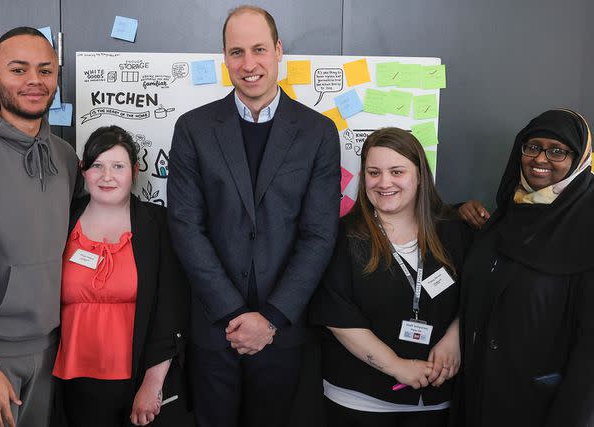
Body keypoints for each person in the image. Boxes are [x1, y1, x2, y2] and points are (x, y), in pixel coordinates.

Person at [166, 5, 341, 427]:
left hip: (283, 330)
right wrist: (233, 314)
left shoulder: (318, 132)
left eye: (259, 49)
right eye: (237, 52)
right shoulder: (193, 129)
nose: (249, 64)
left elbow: (318, 234)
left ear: (279, 51)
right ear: (224, 58)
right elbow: (186, 227)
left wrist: (272, 318)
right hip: (213, 329)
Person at [0, 27, 78, 427]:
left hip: (49, 352)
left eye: (45, 70)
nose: (34, 82)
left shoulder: (64, 156)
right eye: (18, 70)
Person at [311, 128, 472, 427]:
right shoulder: (340, 237)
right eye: (374, 172)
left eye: (397, 171)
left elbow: (477, 294)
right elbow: (338, 317)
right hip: (360, 401)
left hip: (435, 397)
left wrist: (455, 339)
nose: (384, 182)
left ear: (420, 175)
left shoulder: (454, 232)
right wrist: (397, 366)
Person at [456, 109, 594, 426]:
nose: (540, 158)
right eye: (532, 146)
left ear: (579, 158)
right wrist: (457, 213)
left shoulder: (588, 226)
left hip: (541, 405)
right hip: (481, 394)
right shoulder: (509, 213)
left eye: (557, 150)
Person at [52, 126, 189, 427]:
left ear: (135, 171)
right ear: (83, 171)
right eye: (97, 166)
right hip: (71, 380)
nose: (106, 176)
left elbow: (170, 311)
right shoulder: (62, 219)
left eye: (118, 166)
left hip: (137, 380)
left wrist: (152, 384)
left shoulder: (158, 225)